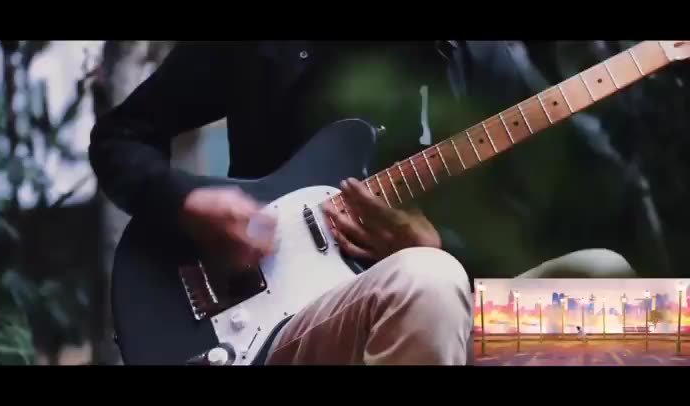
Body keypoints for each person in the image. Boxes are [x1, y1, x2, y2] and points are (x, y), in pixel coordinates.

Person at [89, 41, 635, 365]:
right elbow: (120, 136)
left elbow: (516, 238)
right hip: (275, 326)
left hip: (436, 309)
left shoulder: (472, 57)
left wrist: (437, 245)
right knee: (426, 280)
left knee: (608, 289)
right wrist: (188, 203)